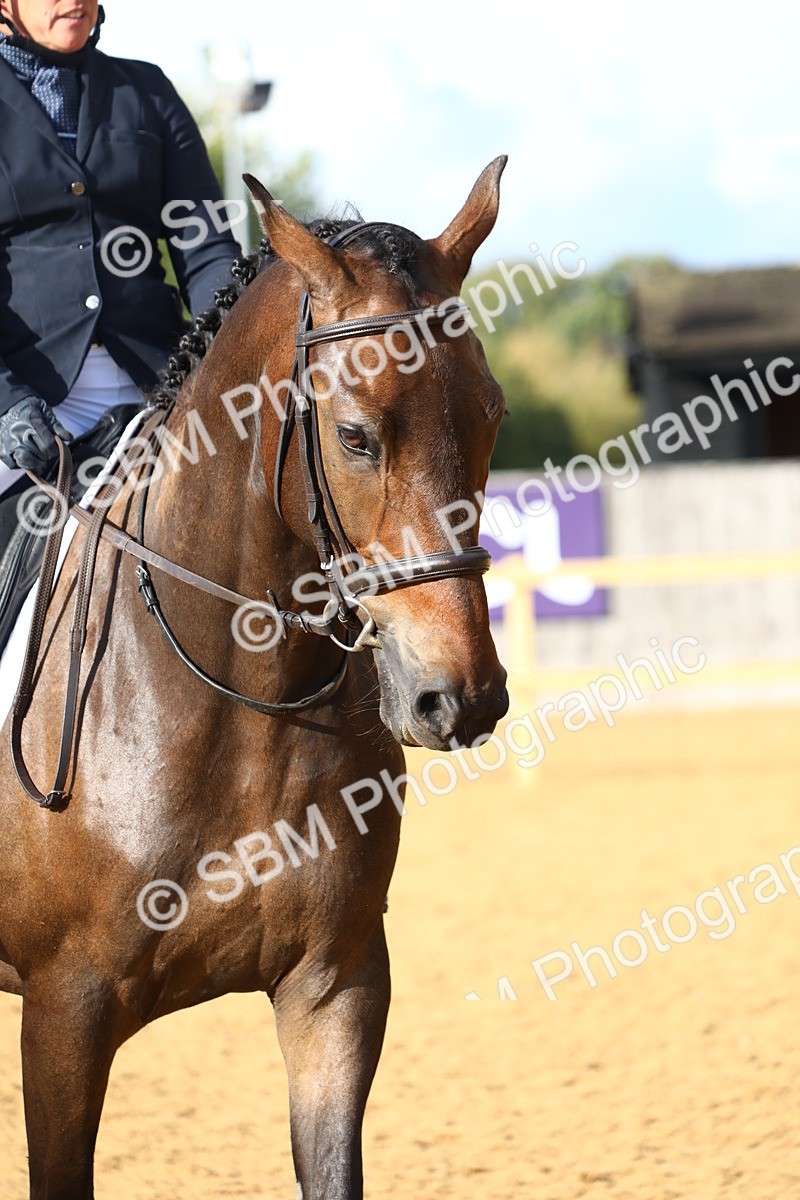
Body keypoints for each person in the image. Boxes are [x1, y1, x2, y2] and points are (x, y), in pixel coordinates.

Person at [0, 0, 240, 497]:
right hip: (28, 396)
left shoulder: (147, 91)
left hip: (159, 381)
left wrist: (234, 357)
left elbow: (206, 248)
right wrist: (4, 401)